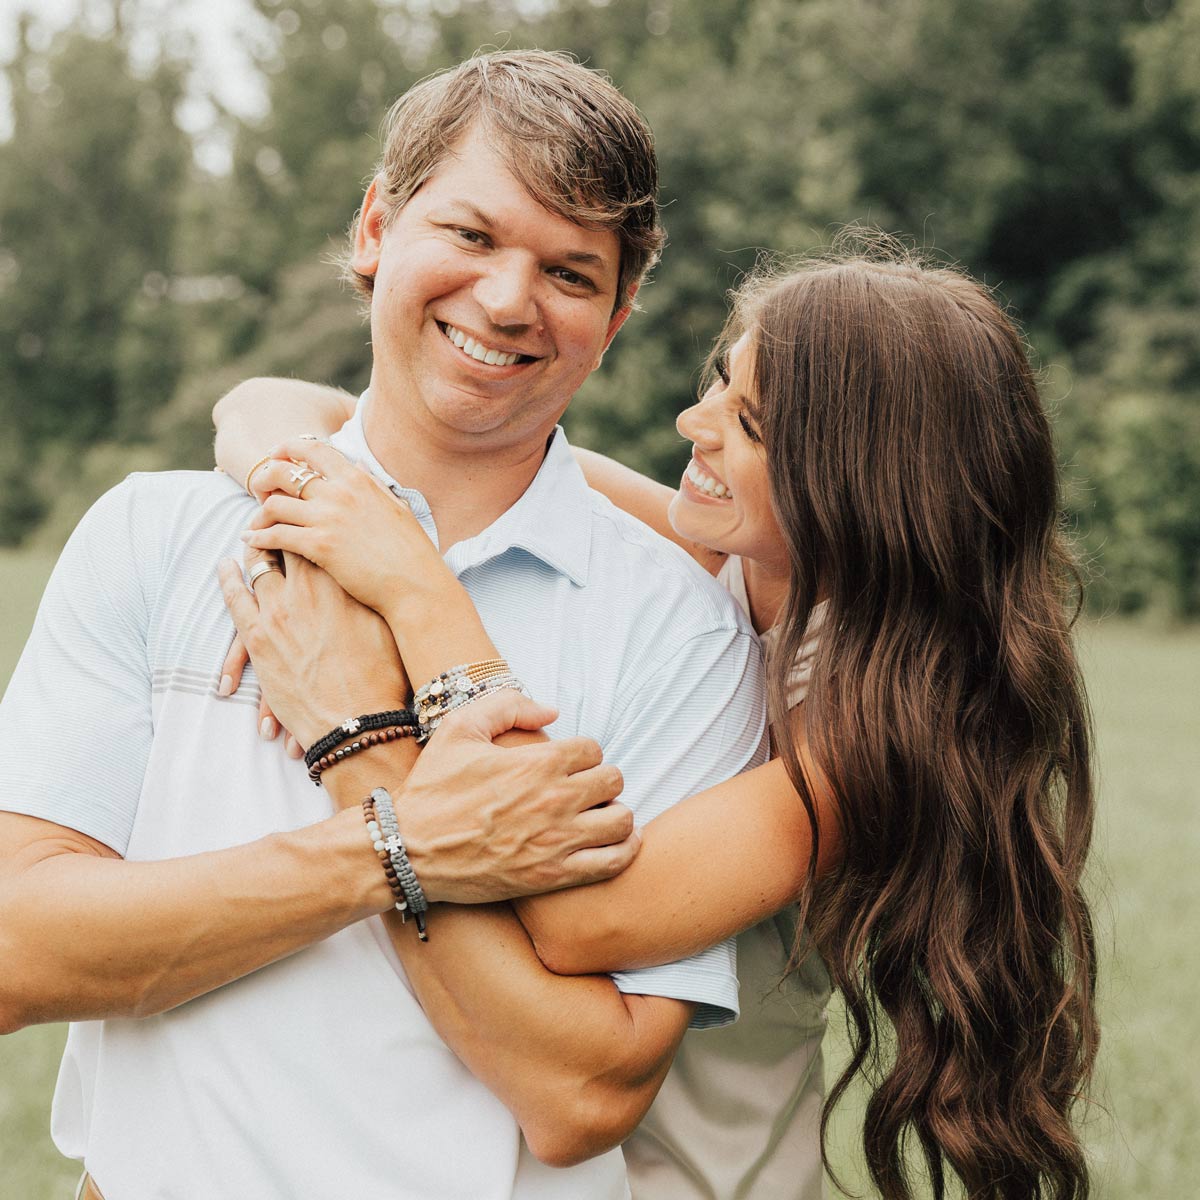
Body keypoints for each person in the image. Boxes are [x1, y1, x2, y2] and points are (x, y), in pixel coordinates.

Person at [0, 52, 773, 1200]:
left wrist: (359, 746)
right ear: (374, 227)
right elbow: (17, 951)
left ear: (614, 320)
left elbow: (581, 1101)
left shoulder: (685, 634)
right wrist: (397, 849)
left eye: (569, 272)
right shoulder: (157, 535)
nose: (509, 300)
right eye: (470, 235)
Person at [215, 240, 1099, 1200]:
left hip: (694, 1175)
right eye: (720, 381)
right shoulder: (728, 558)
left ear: (865, 479)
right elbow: (274, 407)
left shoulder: (876, 736)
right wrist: (294, 527)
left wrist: (420, 604)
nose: (693, 422)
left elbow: (582, 919)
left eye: (751, 422)